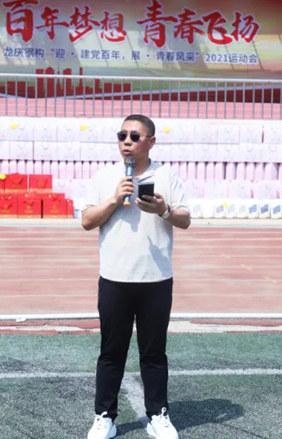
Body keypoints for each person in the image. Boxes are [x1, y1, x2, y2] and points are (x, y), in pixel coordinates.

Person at [82, 114, 190, 439]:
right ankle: (104, 417)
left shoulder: (166, 176)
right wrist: (115, 199)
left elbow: (185, 219)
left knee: (154, 354)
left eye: (134, 136)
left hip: (156, 280)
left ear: (151, 142)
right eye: (122, 135)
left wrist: (163, 210)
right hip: (115, 279)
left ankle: (158, 415)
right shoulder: (105, 177)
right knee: (111, 353)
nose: (127, 141)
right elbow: (87, 220)